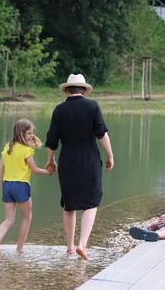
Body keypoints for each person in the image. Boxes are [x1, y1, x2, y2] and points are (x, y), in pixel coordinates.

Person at [45, 73, 114, 260]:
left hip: (68, 161)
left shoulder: (59, 110)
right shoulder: (92, 106)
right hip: (89, 160)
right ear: (84, 90)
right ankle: (82, 245)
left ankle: (69, 246)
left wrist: (50, 160)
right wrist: (110, 155)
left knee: (69, 204)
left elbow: (52, 139)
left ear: (67, 90)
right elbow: (101, 134)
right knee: (91, 202)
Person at [0, 119, 53, 256]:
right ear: (21, 134)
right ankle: (20, 249)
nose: (32, 135)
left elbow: (0, 168)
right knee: (27, 217)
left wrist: (2, 186)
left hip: (7, 185)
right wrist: (48, 172)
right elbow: (35, 170)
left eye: (33, 133)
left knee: (9, 219)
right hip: (21, 186)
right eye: (29, 133)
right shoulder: (26, 150)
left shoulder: (8, 147)